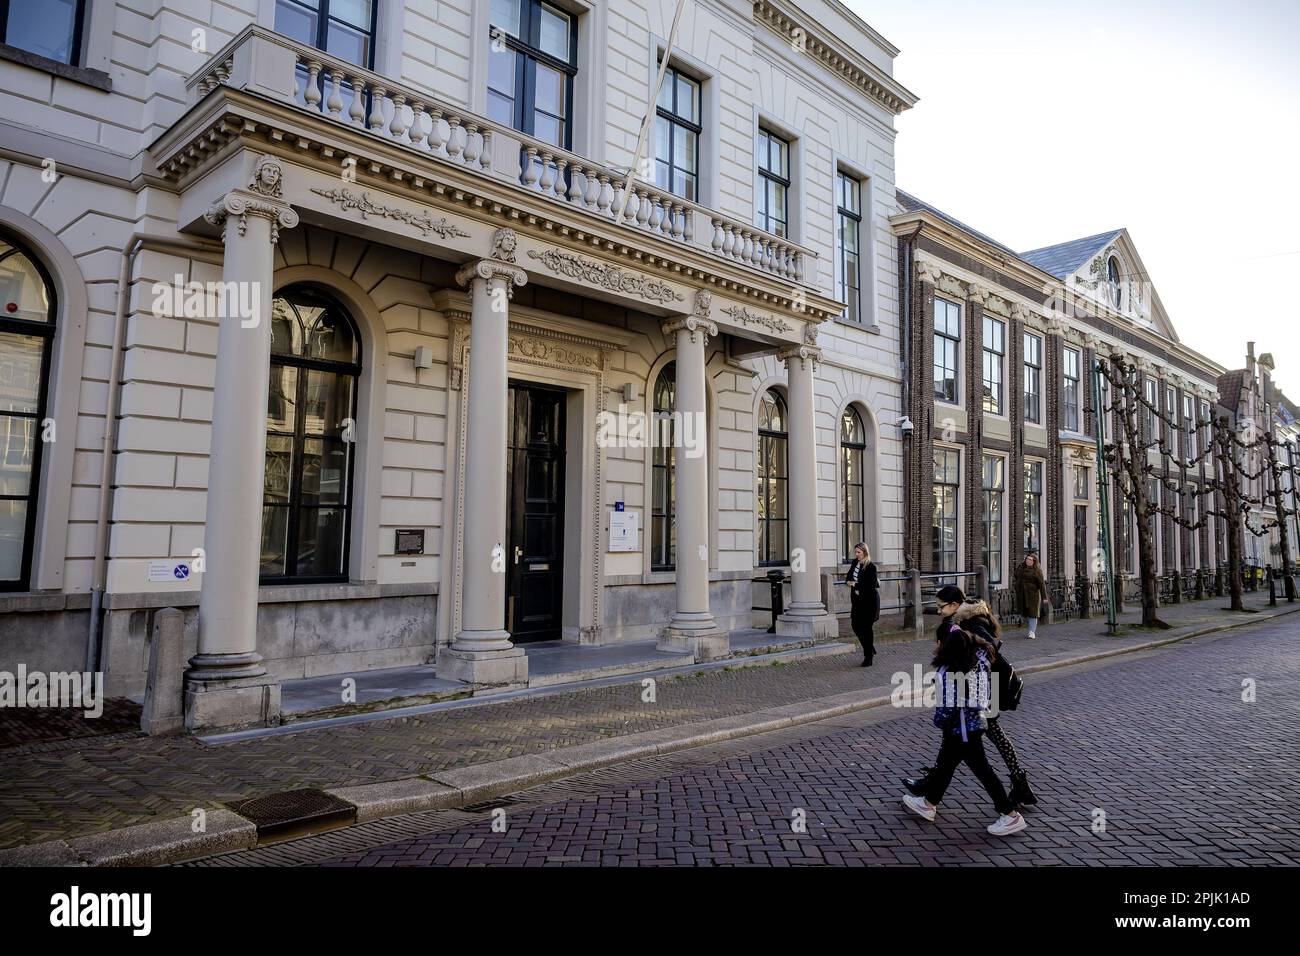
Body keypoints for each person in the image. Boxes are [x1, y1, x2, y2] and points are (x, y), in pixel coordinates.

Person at [905, 584, 1039, 808]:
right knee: (967, 741)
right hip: (983, 690)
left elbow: (988, 651)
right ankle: (1018, 784)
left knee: (976, 740)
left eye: (941, 607)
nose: (939, 611)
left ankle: (1014, 792)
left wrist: (963, 677)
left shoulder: (970, 624)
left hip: (983, 692)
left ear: (955, 605)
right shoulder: (969, 620)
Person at [901, 628, 1027, 836]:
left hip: (962, 729)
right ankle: (929, 803)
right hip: (973, 724)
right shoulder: (979, 664)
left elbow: (948, 705)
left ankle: (1010, 814)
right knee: (945, 766)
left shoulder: (950, 670)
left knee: (983, 772)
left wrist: (940, 720)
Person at [845, 543, 880, 666]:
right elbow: (848, 577)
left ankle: (868, 657)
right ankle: (869, 647)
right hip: (857, 602)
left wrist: (855, 584)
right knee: (855, 625)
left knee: (867, 629)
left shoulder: (871, 567)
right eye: (855, 552)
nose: (856, 555)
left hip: (869, 602)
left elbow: (870, 587)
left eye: (859, 552)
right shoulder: (855, 563)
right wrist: (850, 582)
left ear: (865, 552)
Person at [1015, 552, 1049, 639]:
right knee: (1021, 611)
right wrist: (1016, 586)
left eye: (1030, 560)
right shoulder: (1021, 568)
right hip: (1022, 594)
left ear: (1034, 561)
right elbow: (1016, 576)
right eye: (1027, 559)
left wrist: (1044, 597)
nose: (1028, 561)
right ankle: (1020, 621)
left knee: (1032, 614)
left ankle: (1031, 632)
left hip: (1033, 595)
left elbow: (1042, 584)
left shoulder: (1037, 571)